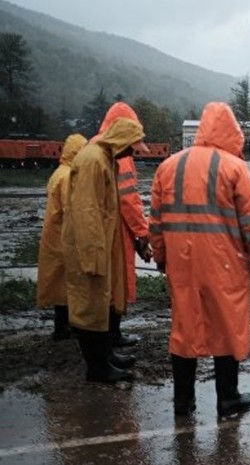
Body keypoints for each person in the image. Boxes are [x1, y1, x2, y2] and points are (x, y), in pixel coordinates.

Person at [149, 102, 250, 417]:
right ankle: (228, 398)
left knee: (184, 328)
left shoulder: (168, 166)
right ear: (233, 133)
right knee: (227, 326)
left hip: (181, 263)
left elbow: (156, 223)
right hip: (224, 265)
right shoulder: (234, 168)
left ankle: (183, 402)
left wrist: (162, 259)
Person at [63, 117, 149, 384]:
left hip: (99, 246)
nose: (133, 153)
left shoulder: (103, 157)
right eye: (132, 147)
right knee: (90, 306)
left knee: (100, 304)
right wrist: (93, 257)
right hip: (90, 250)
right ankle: (97, 367)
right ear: (121, 141)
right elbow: (86, 212)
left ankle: (105, 357)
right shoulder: (93, 160)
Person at [92, 102, 152, 348]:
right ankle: (112, 337)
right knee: (117, 282)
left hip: (102, 226)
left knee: (104, 282)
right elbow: (128, 199)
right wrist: (142, 234)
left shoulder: (95, 146)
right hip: (116, 229)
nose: (133, 151)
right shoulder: (120, 154)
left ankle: (106, 336)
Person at [36, 134, 87, 341]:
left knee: (60, 284)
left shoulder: (59, 172)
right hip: (63, 240)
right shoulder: (68, 176)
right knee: (68, 284)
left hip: (54, 237)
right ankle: (63, 328)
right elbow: (71, 209)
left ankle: (62, 326)